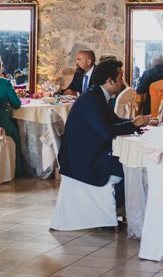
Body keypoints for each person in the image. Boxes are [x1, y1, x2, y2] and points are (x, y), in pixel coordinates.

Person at [60, 58, 153, 193]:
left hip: (91, 152)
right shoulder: (91, 99)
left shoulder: (98, 95)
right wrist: (133, 124)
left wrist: (136, 123)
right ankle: (121, 206)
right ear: (110, 81)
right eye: (120, 78)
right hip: (84, 160)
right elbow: (107, 131)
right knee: (133, 167)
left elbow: (115, 121)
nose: (122, 82)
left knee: (133, 163)